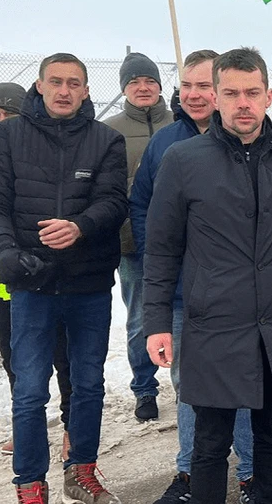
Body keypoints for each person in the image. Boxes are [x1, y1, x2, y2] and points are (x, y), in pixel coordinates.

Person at [143, 48, 272, 504]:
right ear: (215, 97)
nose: (243, 103)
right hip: (215, 324)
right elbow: (161, 251)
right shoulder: (182, 160)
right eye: (232, 93)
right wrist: (157, 320)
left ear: (268, 96)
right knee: (211, 445)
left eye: (253, 93)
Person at [0, 53, 128, 504]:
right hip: (31, 284)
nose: (64, 90)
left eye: (74, 83)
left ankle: (81, 471)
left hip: (88, 285)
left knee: (88, 385)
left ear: (85, 90)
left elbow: (114, 203)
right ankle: (29, 485)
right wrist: (5, 251)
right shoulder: (8, 138)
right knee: (29, 390)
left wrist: (80, 226)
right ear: (39, 87)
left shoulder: (106, 140)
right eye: (56, 82)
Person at [130, 50, 256, 504]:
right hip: (186, 294)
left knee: (244, 383)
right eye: (188, 85)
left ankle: (250, 472)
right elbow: (144, 208)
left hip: (239, 295)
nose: (195, 94)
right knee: (190, 386)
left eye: (205, 85)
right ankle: (188, 474)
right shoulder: (167, 144)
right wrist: (168, 262)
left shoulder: (252, 138)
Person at [0, 82, 73, 460]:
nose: (0, 122)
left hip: (47, 279)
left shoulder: (38, 152)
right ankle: (25, 428)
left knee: (61, 356)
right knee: (15, 362)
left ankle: (71, 427)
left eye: (8, 114)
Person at [103, 52, 174, 422]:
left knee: (184, 313)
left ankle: (188, 380)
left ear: (160, 85)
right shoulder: (110, 130)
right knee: (141, 318)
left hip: (182, 239)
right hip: (132, 241)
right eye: (134, 82)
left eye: (149, 80)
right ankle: (144, 388)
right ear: (124, 89)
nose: (142, 87)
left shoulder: (179, 122)